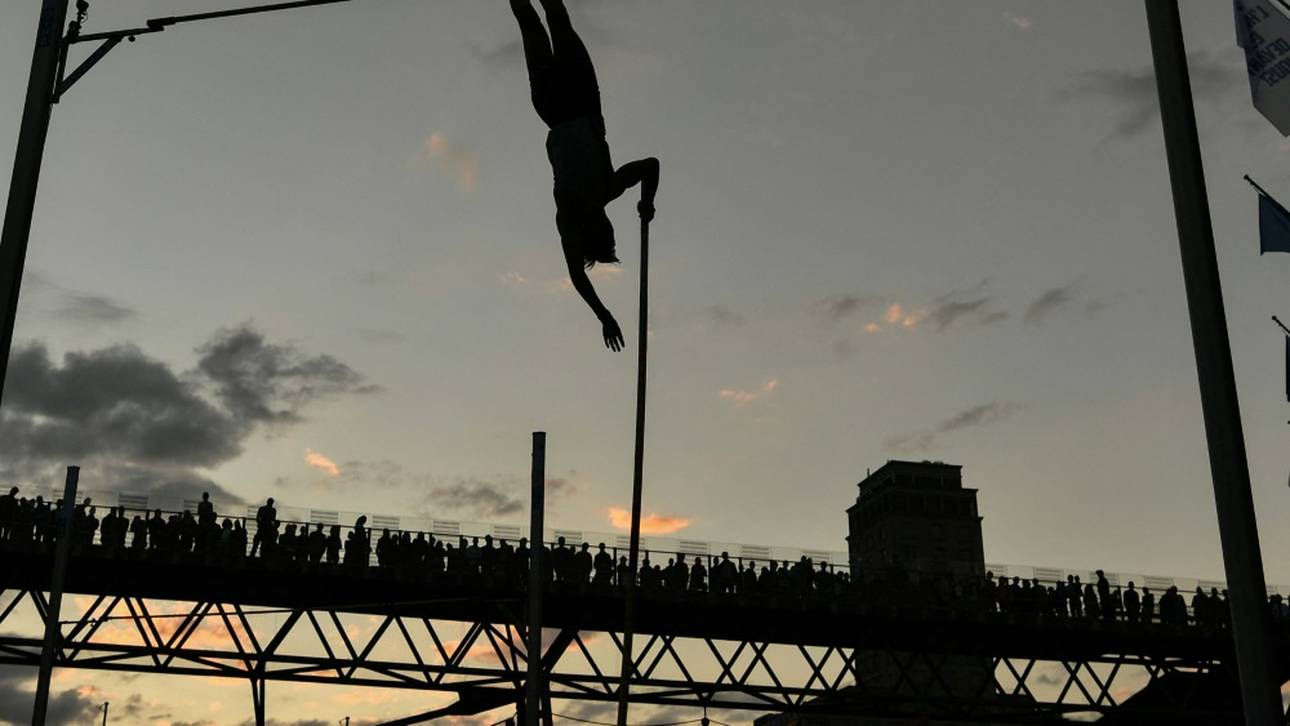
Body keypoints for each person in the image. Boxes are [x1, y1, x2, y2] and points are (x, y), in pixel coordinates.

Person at [510, 0, 659, 351]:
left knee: (541, 22)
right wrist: (647, 203)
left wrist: (604, 315)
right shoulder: (597, 196)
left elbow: (577, 277)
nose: (611, 227)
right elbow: (652, 165)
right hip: (564, 103)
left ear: (598, 231)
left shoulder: (581, 207)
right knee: (545, 20)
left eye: (608, 234)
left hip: (565, 102)